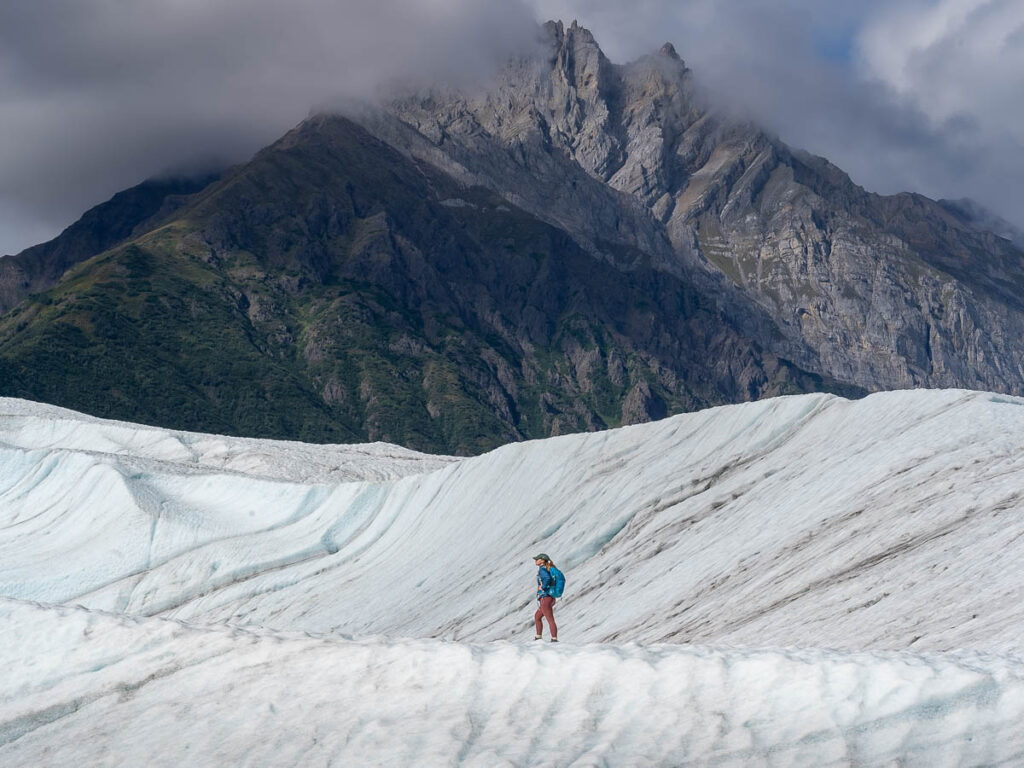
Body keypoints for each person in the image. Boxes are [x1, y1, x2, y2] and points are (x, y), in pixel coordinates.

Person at [533, 553, 558, 642]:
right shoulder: (546, 569)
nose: (535, 561)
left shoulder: (542, 570)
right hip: (549, 597)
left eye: (537, 559)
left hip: (545, 598)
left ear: (542, 560)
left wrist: (542, 587)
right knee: (537, 617)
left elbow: (547, 579)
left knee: (550, 619)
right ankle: (538, 637)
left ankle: (554, 639)